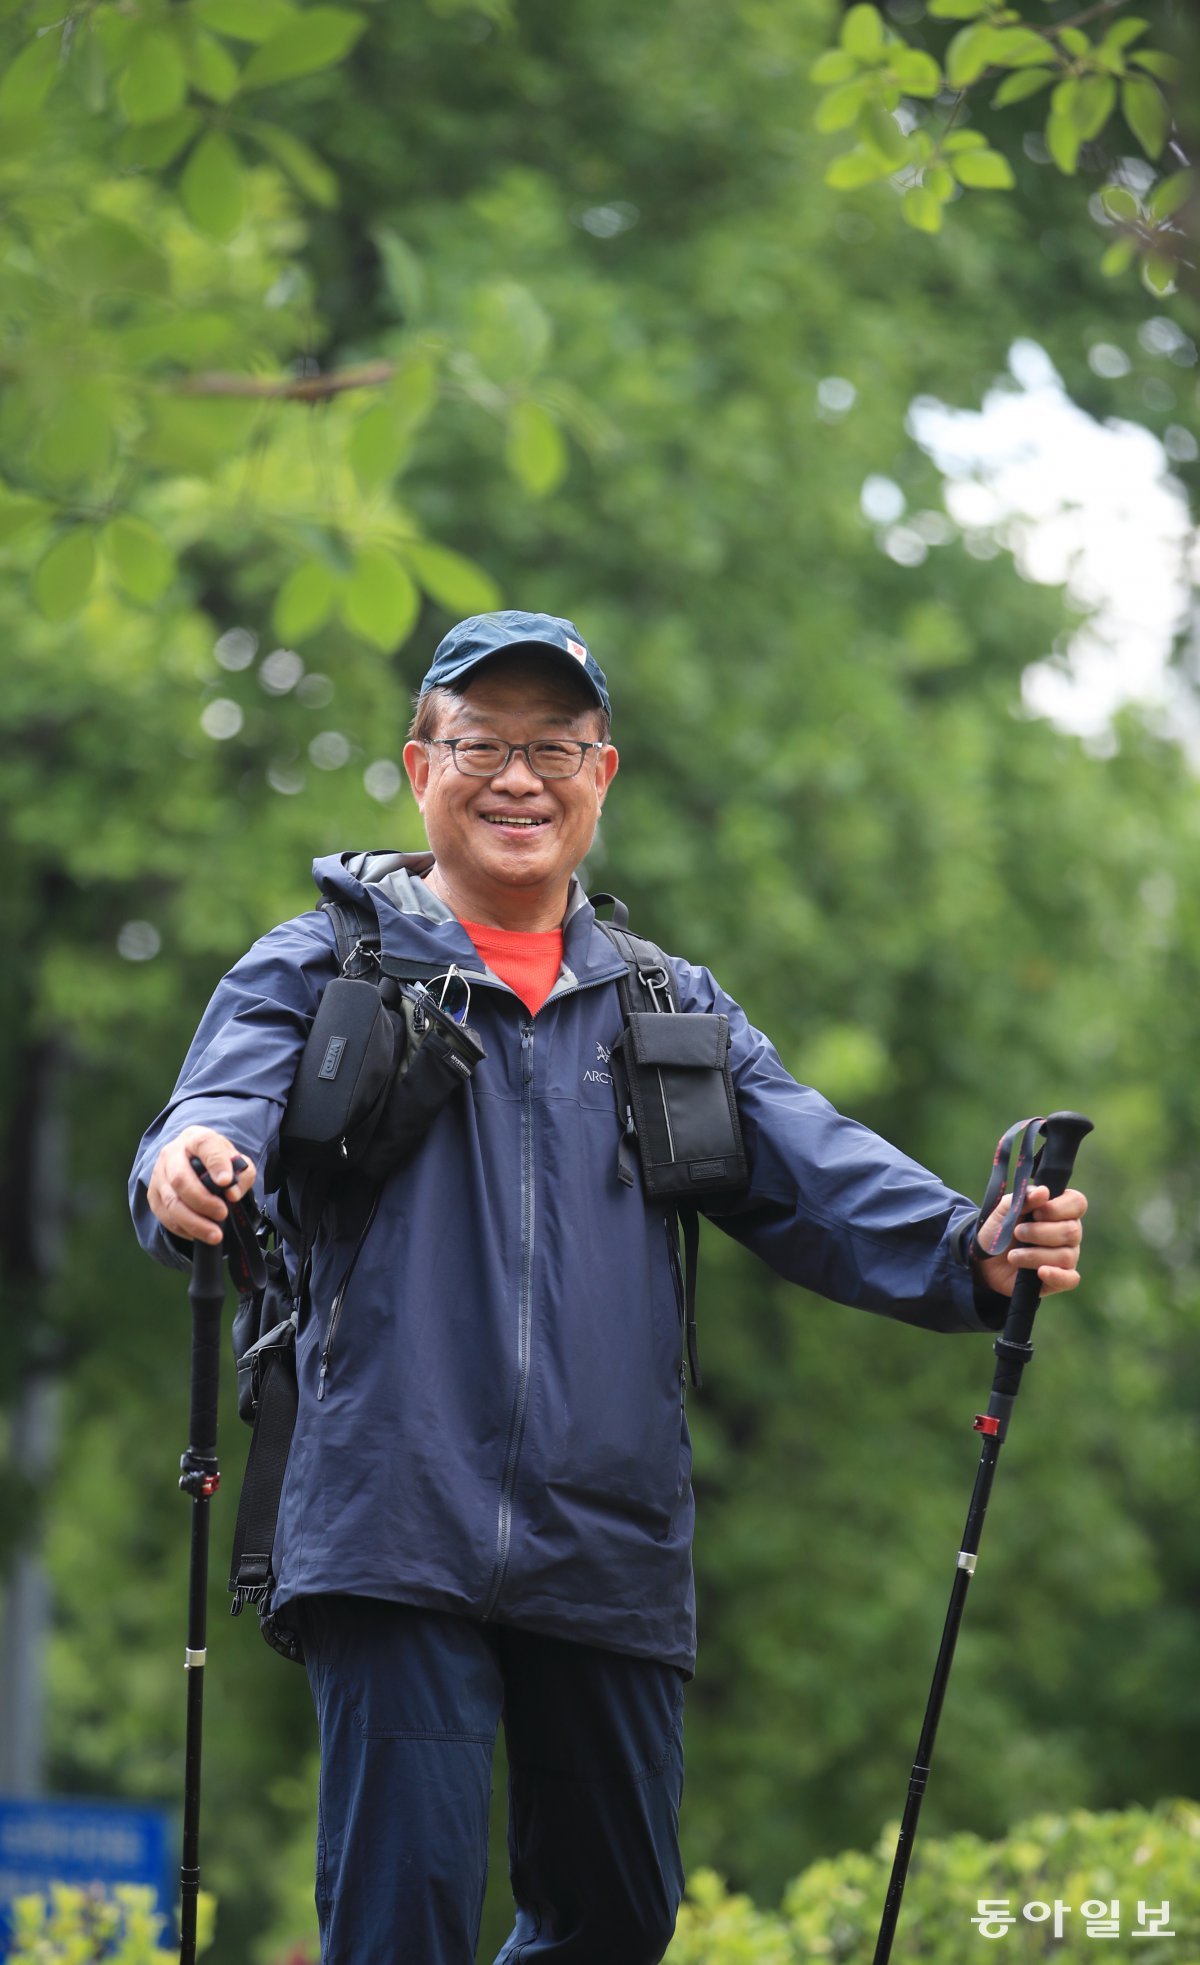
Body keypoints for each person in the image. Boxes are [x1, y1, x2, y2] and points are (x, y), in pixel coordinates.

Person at [130, 610, 1086, 1965]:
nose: (518, 777)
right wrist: (188, 1166)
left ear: (603, 773)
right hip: (395, 1520)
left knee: (618, 1920)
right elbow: (201, 1123)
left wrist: (975, 1247)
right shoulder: (318, 966)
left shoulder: (668, 1005)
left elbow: (824, 1174)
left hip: (611, 1536)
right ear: (420, 768)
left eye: (553, 747)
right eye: (483, 744)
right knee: (404, 1920)